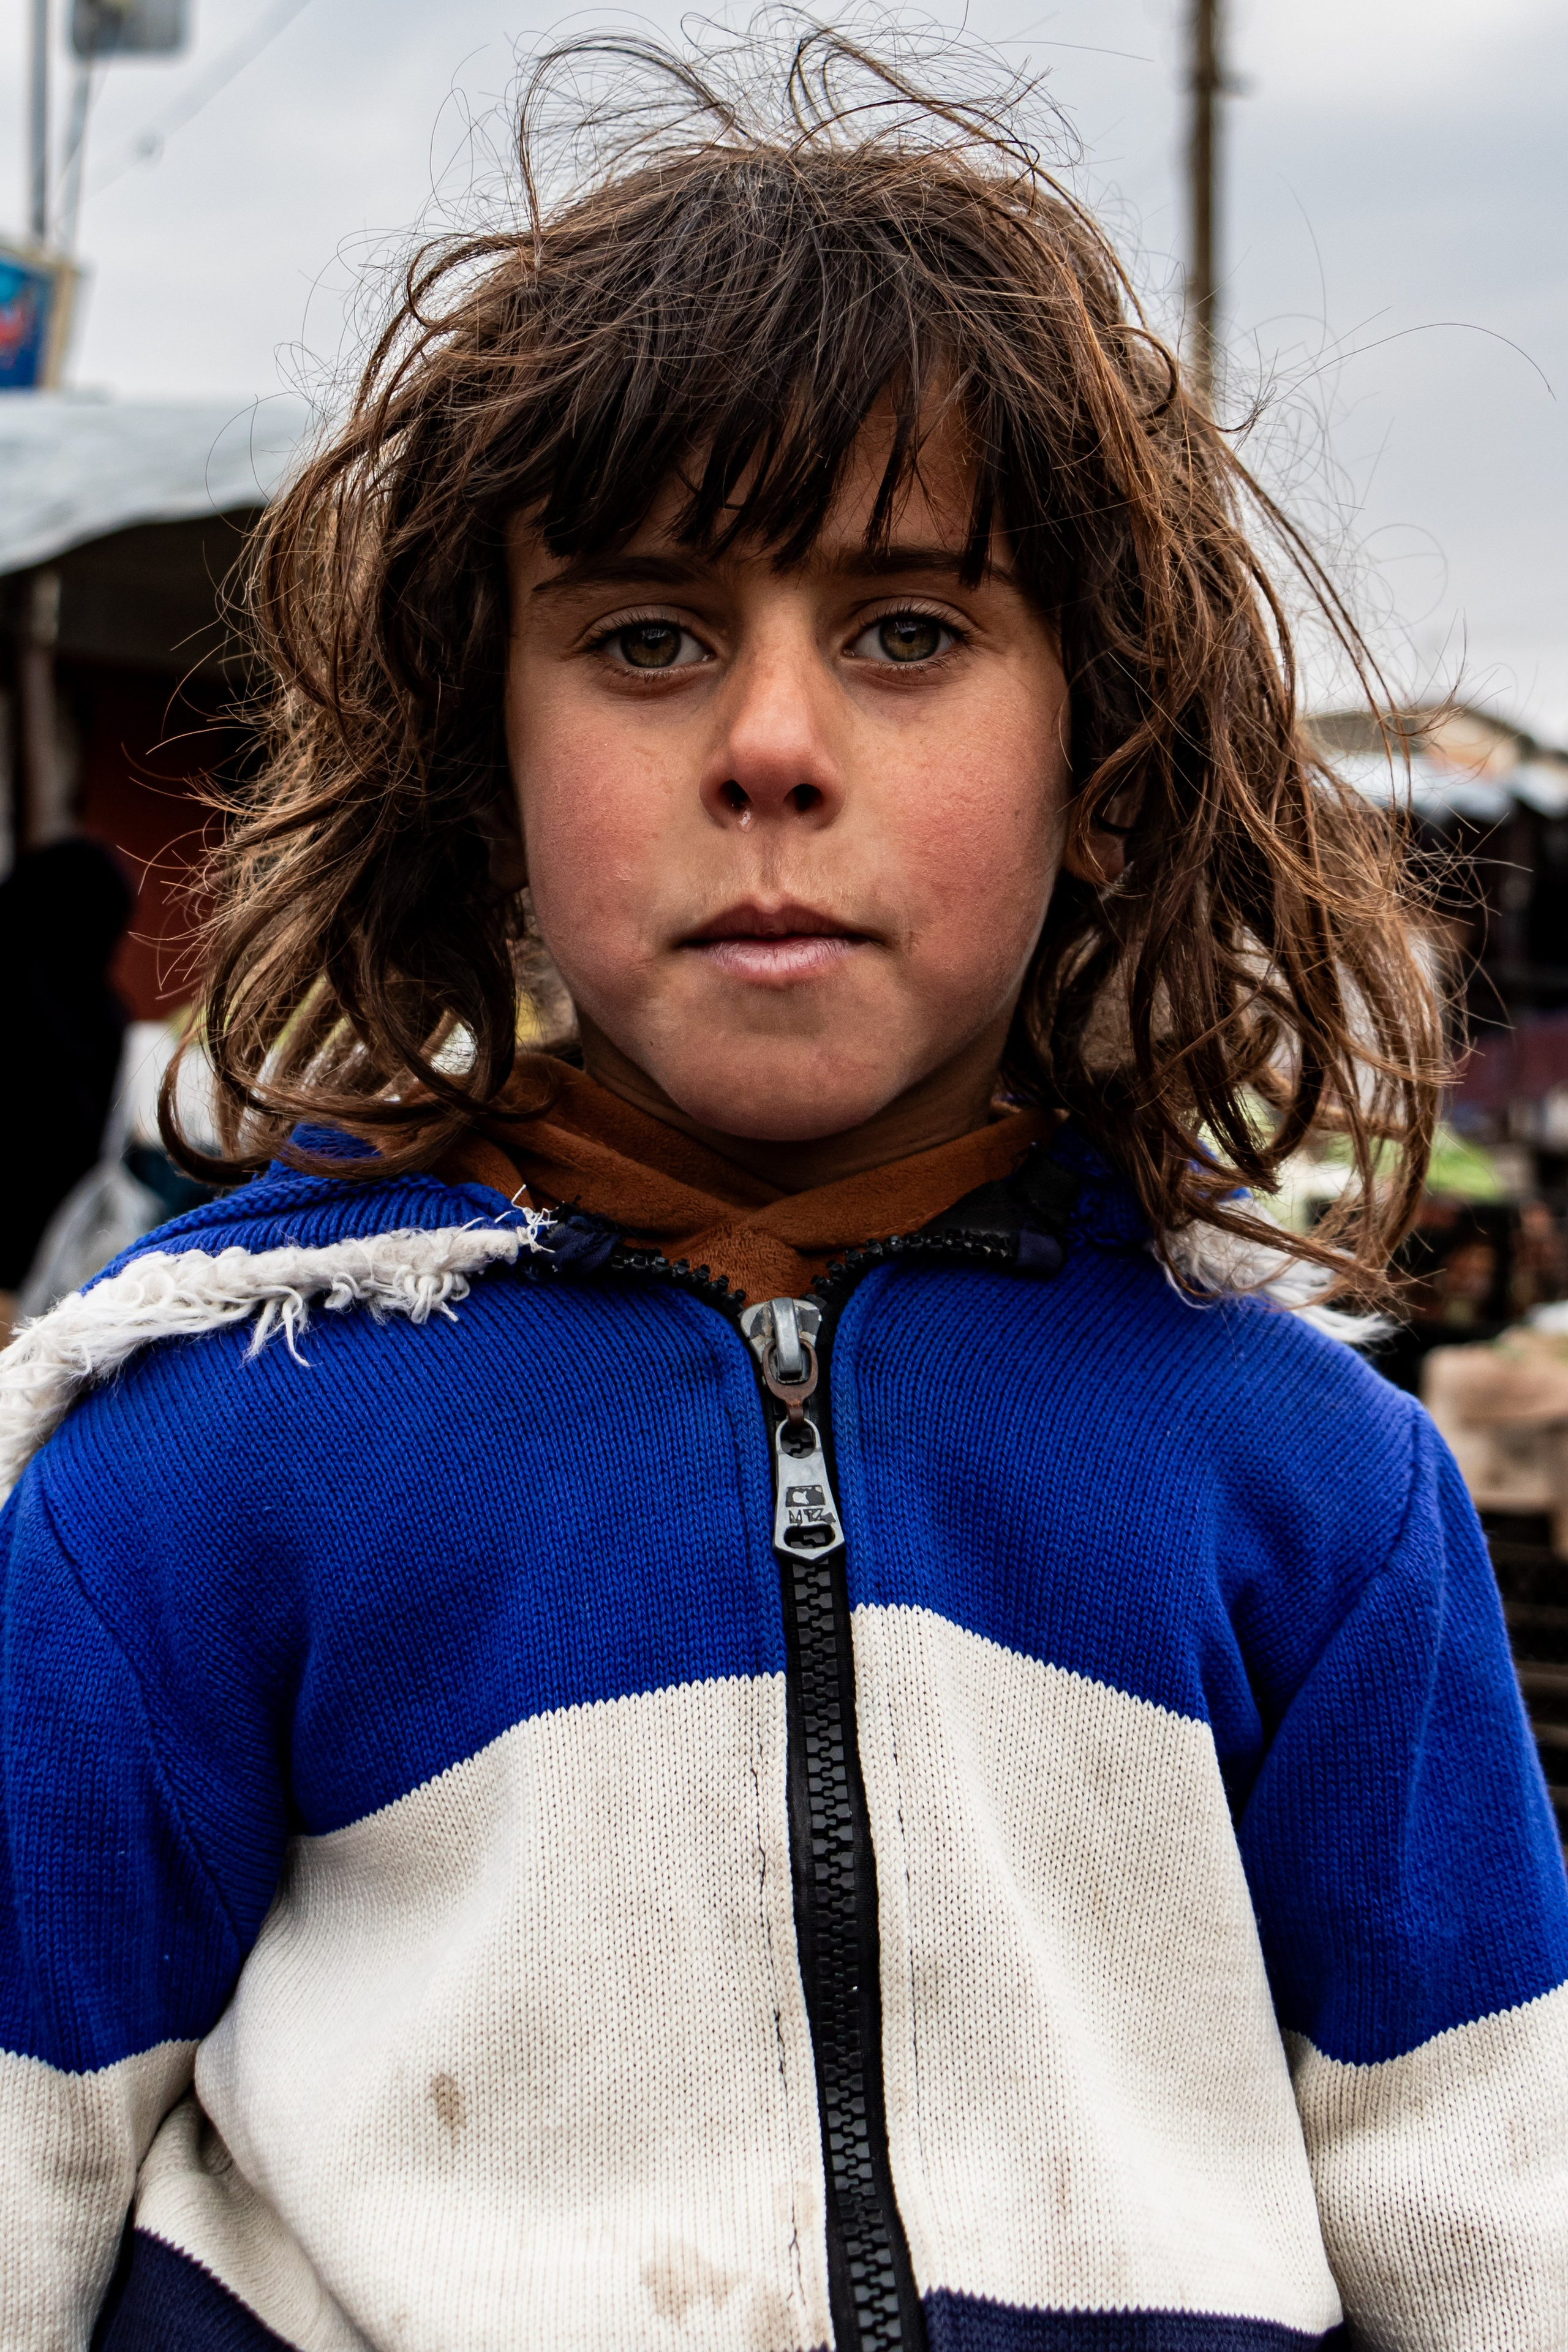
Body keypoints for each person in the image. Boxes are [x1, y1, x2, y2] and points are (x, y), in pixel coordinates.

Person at [1, 31, 1563, 2352]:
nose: (766, 744)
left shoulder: (1308, 1484)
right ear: (477, 761)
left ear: (1108, 767)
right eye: (644, 636)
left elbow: (1488, 2217)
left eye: (912, 630)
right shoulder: (209, 1450)